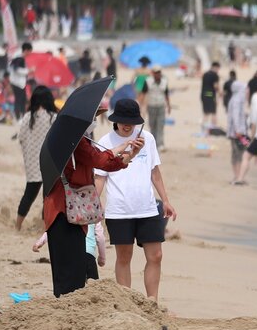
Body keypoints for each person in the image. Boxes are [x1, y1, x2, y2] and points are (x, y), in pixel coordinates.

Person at [43, 94, 142, 297]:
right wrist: (121, 150)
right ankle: (67, 308)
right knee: (69, 270)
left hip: (70, 210)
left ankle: (67, 305)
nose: (94, 121)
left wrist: (126, 157)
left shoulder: (78, 141)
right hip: (64, 210)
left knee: (73, 266)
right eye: (93, 117)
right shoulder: (75, 142)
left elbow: (101, 160)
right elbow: (98, 160)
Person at [96, 99, 175, 302]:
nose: (127, 124)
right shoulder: (105, 142)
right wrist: (96, 203)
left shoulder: (147, 138)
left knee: (156, 255)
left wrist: (165, 200)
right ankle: (127, 304)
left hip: (147, 207)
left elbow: (154, 171)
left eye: (131, 121)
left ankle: (153, 302)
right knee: (124, 257)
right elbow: (100, 177)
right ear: (116, 120)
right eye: (123, 120)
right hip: (119, 210)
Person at [12, 86, 57, 231]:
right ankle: (46, 227)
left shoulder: (27, 117)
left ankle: (17, 225)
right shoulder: (53, 117)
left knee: (29, 194)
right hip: (49, 162)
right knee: (48, 197)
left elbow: (21, 138)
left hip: (32, 162)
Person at [141, 64, 171, 150]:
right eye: (156, 72)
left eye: (159, 72)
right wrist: (142, 107)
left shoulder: (164, 82)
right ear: (153, 73)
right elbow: (143, 94)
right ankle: (153, 143)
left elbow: (166, 94)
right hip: (151, 106)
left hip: (161, 106)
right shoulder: (148, 81)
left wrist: (169, 106)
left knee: (160, 125)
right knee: (152, 125)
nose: (158, 74)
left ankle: (160, 144)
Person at [225, 76, 248, 175]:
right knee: (240, 154)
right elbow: (235, 116)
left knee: (238, 154)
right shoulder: (237, 100)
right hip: (238, 133)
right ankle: (238, 176)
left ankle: (237, 176)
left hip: (236, 132)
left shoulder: (234, 99)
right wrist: (238, 130)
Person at [8, 43, 30, 118]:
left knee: (22, 100)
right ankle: (18, 117)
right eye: (29, 52)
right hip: (17, 83)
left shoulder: (20, 58)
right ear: (26, 50)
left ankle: (21, 116)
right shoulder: (19, 58)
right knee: (19, 100)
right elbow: (16, 70)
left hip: (20, 83)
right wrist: (28, 71)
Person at [200, 62, 221, 132]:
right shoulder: (215, 75)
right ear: (216, 67)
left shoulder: (205, 74)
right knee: (213, 112)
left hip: (203, 94)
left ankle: (203, 127)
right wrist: (220, 93)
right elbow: (216, 86)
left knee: (206, 112)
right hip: (210, 94)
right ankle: (213, 128)